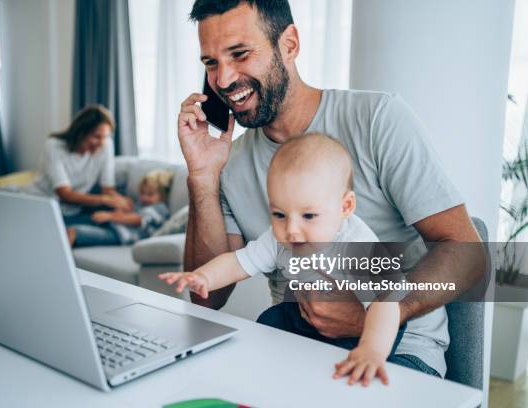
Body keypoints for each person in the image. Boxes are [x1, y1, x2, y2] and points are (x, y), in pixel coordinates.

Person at [178, 0, 485, 378]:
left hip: (399, 352)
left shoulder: (378, 120)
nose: (223, 80)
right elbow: (205, 300)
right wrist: (203, 177)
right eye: (210, 62)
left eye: (239, 54)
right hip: (296, 348)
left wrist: (378, 316)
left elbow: (468, 252)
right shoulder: (229, 162)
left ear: (289, 44)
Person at [162, 134, 405, 386]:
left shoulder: (360, 244)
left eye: (309, 215)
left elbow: (387, 303)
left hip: (369, 323)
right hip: (301, 313)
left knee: (355, 354)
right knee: (270, 320)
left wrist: (371, 348)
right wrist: (204, 276)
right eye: (279, 214)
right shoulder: (282, 238)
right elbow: (238, 262)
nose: (292, 230)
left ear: (345, 207)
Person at [29, 104, 133, 226]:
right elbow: (65, 194)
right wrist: (105, 200)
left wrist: (121, 201)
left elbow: (107, 189)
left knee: (111, 222)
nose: (101, 143)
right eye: (96, 136)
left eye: (105, 137)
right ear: (81, 132)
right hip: (45, 207)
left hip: (75, 210)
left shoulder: (106, 145)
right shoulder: (53, 146)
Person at [68, 169, 173, 247]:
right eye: (142, 193)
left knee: (74, 231)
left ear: (163, 195)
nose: (145, 197)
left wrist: (110, 216)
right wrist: (122, 210)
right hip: (113, 228)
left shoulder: (160, 208)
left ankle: (60, 262)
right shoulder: (141, 206)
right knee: (70, 226)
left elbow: (138, 220)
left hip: (121, 235)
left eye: (150, 194)